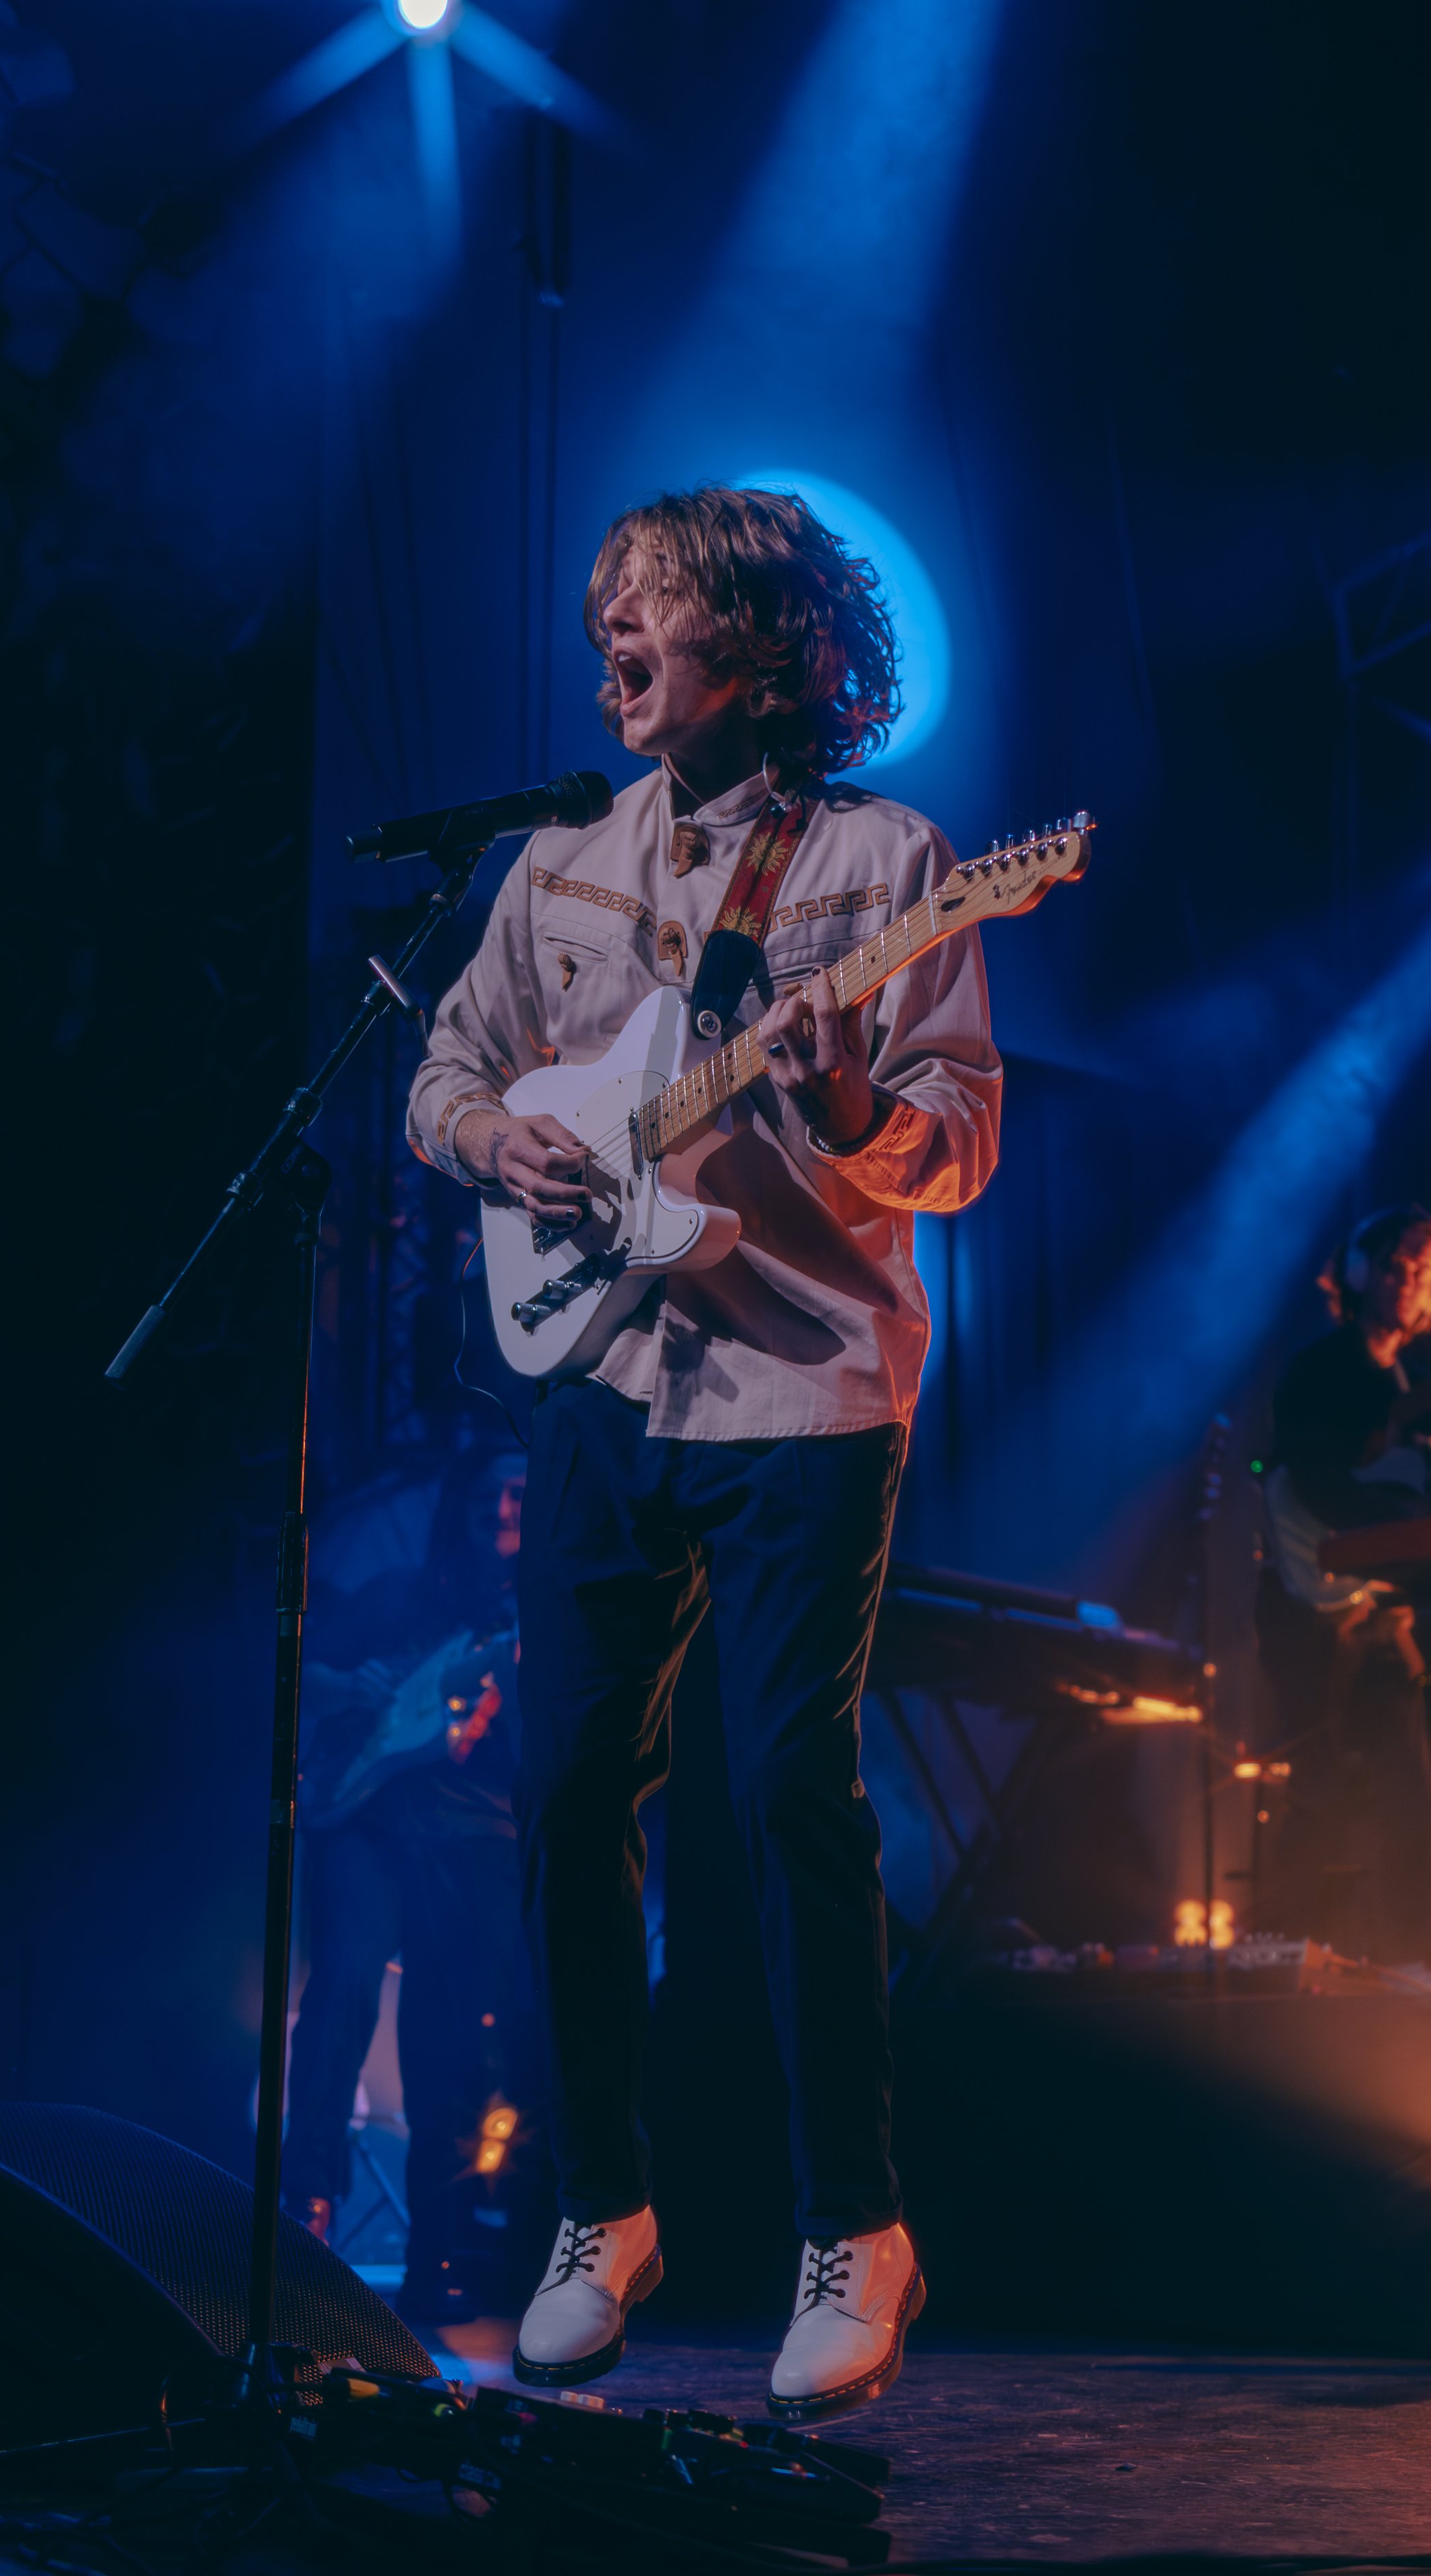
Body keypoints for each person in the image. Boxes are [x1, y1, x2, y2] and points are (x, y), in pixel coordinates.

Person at [405, 485, 1001, 2421]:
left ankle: (858, 2223)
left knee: (780, 1792)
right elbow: (445, 1071)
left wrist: (838, 1089)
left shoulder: (892, 862)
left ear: (759, 638)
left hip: (804, 1384)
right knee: (571, 1785)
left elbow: (956, 1142)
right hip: (600, 1370)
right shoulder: (555, 870)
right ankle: (603, 2206)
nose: (610, 651)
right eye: (605, 620)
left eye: (644, 615)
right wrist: (497, 1141)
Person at [282, 1452, 535, 2322]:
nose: (502, 1505)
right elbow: (291, 1672)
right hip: (367, 1822)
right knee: (344, 1983)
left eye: (520, 1494)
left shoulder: (542, 1618)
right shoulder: (396, 1594)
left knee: (455, 2041)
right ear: (460, 1502)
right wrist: (353, 1685)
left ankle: (442, 2246)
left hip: (477, 1839)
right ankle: (304, 2212)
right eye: (489, 1488)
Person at [1256, 1204, 1431, 1965]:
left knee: (1410, 1790)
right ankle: (1294, 1959)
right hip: (1307, 1605)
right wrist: (1400, 1524)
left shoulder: (1413, 1389)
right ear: (1358, 1271)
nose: (1409, 1281)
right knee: (1318, 1782)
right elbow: (1310, 1482)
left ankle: (1405, 1962)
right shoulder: (1319, 1368)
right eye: (1397, 1265)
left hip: (1378, 1611)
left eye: (1424, 1271)